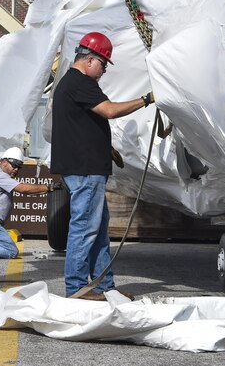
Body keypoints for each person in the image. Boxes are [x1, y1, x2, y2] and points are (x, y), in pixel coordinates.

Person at [51, 32, 154, 301]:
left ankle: (105, 286)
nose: (103, 71)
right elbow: (109, 110)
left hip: (84, 166)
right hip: (86, 170)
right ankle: (77, 288)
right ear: (90, 60)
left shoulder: (69, 84)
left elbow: (78, 126)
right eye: (103, 64)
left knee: (97, 231)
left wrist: (104, 147)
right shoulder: (81, 82)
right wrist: (146, 99)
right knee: (85, 228)